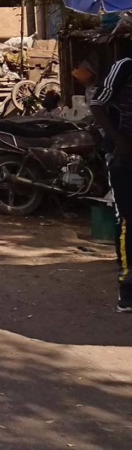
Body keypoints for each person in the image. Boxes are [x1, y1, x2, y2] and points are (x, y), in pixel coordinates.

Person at [89, 57, 132, 312]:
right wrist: (119, 142)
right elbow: (96, 104)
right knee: (128, 219)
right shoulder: (124, 67)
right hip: (123, 159)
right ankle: (127, 289)